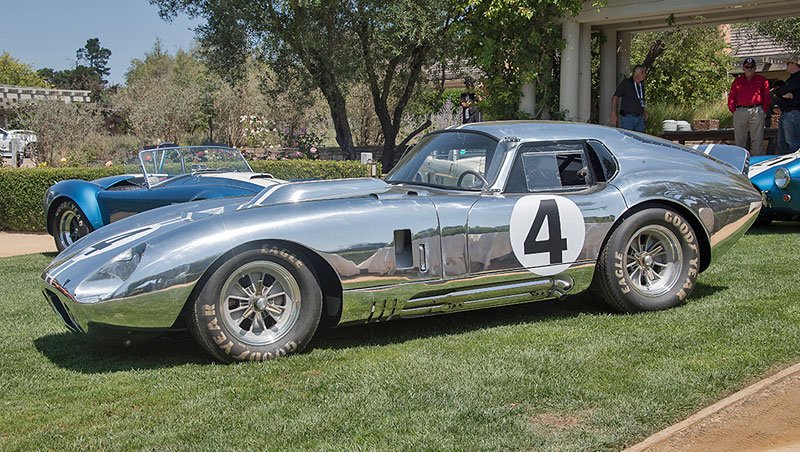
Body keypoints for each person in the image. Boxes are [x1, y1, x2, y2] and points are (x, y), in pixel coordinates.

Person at [727, 57, 771, 155]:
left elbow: (767, 97)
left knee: (757, 139)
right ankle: (740, 161)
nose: (749, 69)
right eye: (747, 67)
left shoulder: (762, 80)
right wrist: (734, 110)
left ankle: (757, 163)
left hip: (757, 110)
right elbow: (732, 97)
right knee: (740, 140)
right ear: (743, 68)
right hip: (740, 111)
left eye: (752, 67)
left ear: (755, 68)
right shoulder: (737, 81)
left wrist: (763, 110)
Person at [773, 57, 800, 153]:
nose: (787, 65)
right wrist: (782, 93)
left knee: (792, 141)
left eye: (789, 63)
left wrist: (783, 92)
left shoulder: (797, 78)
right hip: (785, 113)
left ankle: (795, 164)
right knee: (781, 141)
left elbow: (782, 90)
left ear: (795, 65)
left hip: (793, 113)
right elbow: (779, 91)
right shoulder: (791, 79)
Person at [611, 65, 647, 132]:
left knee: (639, 139)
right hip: (628, 117)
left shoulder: (641, 85)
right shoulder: (626, 83)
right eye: (642, 72)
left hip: (640, 117)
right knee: (628, 138)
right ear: (636, 73)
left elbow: (639, 99)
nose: (644, 74)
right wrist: (613, 114)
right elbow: (615, 97)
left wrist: (643, 110)